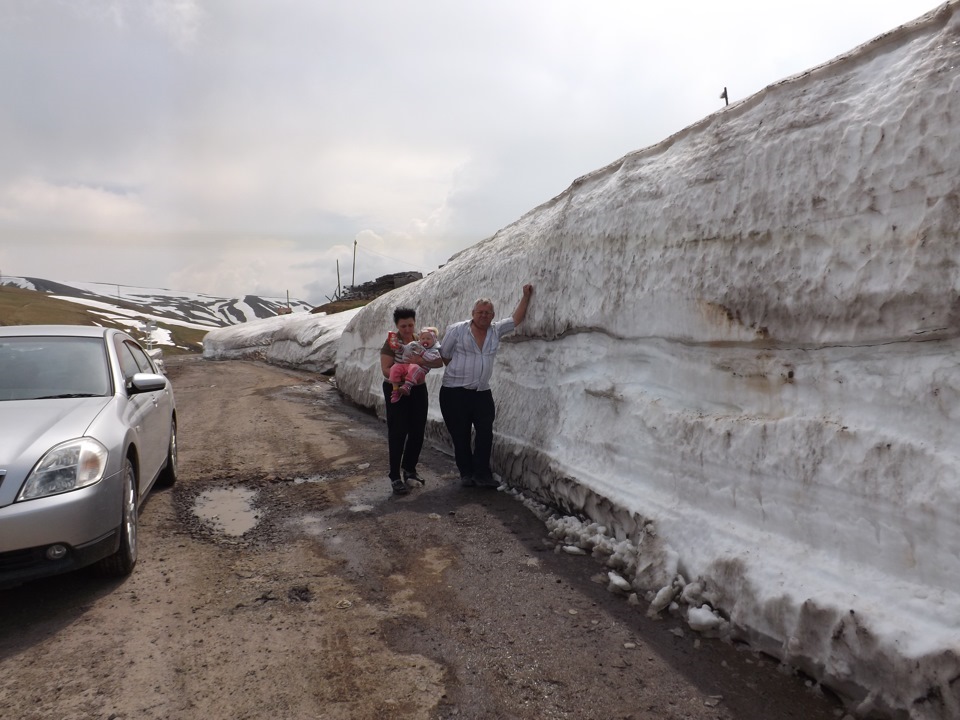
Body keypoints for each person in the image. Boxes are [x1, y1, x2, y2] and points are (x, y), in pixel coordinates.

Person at [439, 284, 534, 488]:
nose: (483, 315)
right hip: (454, 392)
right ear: (473, 313)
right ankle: (466, 473)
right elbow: (445, 355)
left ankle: (482, 473)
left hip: (482, 392)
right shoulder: (456, 330)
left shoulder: (496, 330)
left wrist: (525, 296)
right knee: (460, 434)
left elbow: (515, 320)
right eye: (480, 312)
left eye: (487, 313)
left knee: (485, 432)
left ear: (492, 315)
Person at [380, 308, 443, 496]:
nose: (407, 329)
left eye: (410, 325)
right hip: (397, 387)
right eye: (403, 326)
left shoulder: (423, 339)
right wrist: (403, 376)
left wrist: (420, 359)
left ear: (415, 323)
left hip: (418, 389)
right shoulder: (392, 342)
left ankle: (409, 469)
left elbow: (438, 362)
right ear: (397, 326)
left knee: (417, 430)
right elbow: (385, 369)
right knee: (398, 431)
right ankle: (394, 475)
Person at [388, 327, 441, 403]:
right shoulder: (415, 344)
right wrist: (399, 347)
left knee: (415, 367)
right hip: (408, 366)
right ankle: (395, 390)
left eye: (428, 339)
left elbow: (432, 358)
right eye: (423, 338)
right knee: (395, 367)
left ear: (434, 340)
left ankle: (407, 386)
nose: (425, 340)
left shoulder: (434, 350)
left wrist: (421, 352)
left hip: (420, 370)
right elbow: (406, 349)